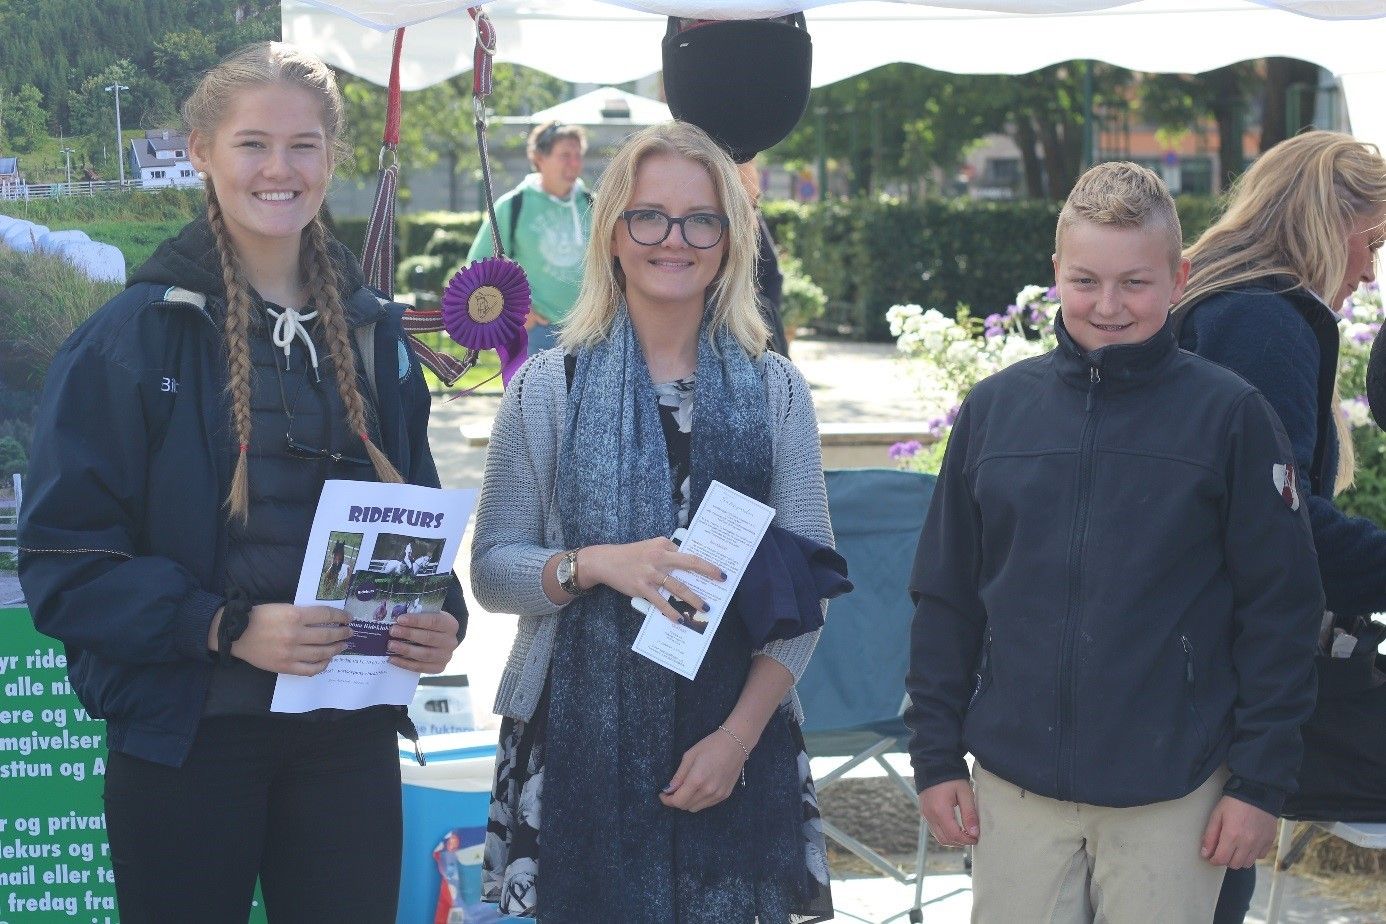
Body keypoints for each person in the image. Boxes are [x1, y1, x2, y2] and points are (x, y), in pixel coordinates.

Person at [17, 42, 464, 924]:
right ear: (200, 153)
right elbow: (64, 567)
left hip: (348, 744)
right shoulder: (130, 339)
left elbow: (419, 517)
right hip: (189, 743)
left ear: (330, 161)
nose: (279, 169)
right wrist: (227, 628)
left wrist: (440, 617)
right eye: (252, 143)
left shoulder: (374, 334)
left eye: (303, 146)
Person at [906, 162, 1323, 923]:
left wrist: (1261, 783)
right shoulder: (997, 413)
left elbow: (1283, 610)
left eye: (1135, 283)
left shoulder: (1232, 416)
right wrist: (935, 758)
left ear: (1179, 278)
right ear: (1054, 273)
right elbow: (946, 598)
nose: (1108, 306)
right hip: (1014, 783)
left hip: (1175, 792)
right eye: (1085, 280)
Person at [470, 120, 835, 923]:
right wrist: (592, 565)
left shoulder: (775, 393)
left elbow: (807, 599)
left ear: (730, 237)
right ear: (613, 233)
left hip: (734, 747)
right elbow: (493, 569)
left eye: (700, 218)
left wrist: (736, 741)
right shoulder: (547, 388)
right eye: (649, 216)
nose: (675, 239)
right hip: (575, 753)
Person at [1172, 130, 1386, 923]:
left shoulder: (1228, 308)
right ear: (1327, 223)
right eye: (1370, 244)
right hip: (1209, 689)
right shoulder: (1263, 321)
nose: (1368, 271)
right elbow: (1277, 523)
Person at [466, 119, 593, 355]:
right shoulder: (513, 206)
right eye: (565, 155)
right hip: (535, 333)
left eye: (579, 155)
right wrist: (514, 312)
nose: (575, 163)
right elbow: (478, 265)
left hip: (590, 330)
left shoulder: (593, 204)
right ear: (539, 158)